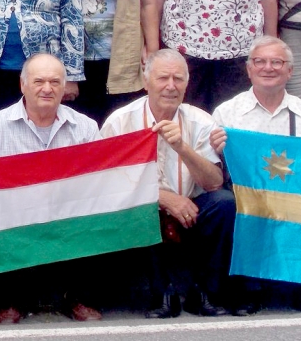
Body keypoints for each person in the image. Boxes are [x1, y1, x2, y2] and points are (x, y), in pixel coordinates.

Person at [0, 54, 107, 324]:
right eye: (39, 81)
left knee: (100, 214)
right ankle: (7, 301)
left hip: (67, 215)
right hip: (13, 218)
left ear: (64, 88)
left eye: (55, 82)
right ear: (22, 85)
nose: (47, 88)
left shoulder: (86, 128)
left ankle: (78, 298)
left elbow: (99, 181)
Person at [100, 49, 237, 318]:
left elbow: (214, 183)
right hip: (145, 204)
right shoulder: (121, 121)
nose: (171, 86)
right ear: (146, 80)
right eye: (163, 78)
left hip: (192, 205)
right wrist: (162, 197)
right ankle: (162, 294)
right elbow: (108, 182)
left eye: (178, 79)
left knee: (224, 204)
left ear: (187, 84)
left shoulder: (201, 120)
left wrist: (182, 147)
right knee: (141, 205)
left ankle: (205, 293)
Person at [208, 36, 301, 313]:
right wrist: (219, 150)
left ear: (290, 71)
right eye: (260, 62)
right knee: (233, 205)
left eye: (277, 62)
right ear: (249, 69)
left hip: (298, 192)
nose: (268, 68)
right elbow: (213, 168)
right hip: (247, 193)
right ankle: (249, 290)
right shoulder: (227, 113)